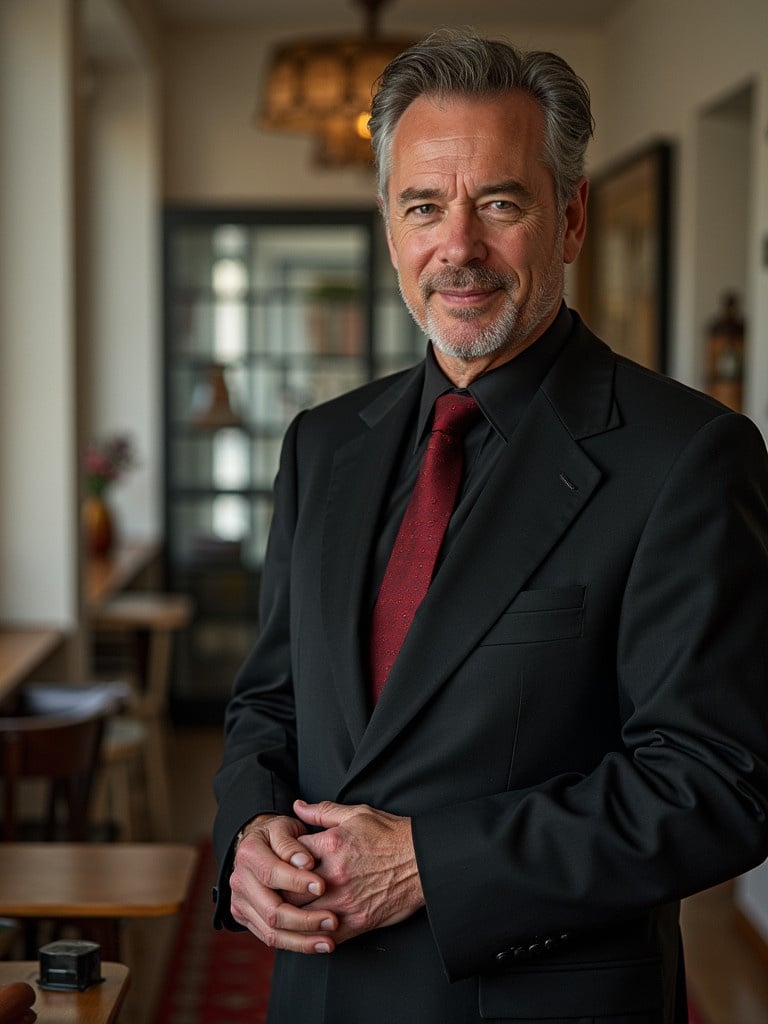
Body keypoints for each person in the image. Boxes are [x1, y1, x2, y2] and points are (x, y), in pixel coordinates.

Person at [212, 30, 768, 1024]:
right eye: (424, 206)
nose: (457, 247)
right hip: (319, 994)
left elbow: (718, 783)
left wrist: (433, 863)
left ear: (572, 216)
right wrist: (245, 829)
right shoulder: (320, 443)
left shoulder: (687, 456)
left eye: (499, 203)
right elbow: (271, 700)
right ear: (391, 227)